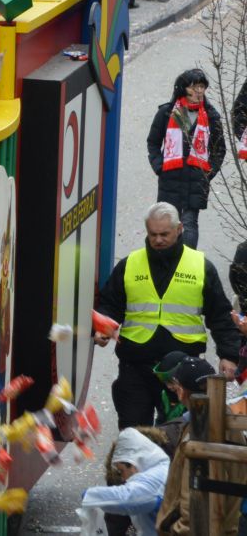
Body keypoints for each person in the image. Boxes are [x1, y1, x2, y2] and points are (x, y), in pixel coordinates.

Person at [94, 202, 240, 429]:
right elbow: (109, 304)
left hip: (181, 372)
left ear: (179, 229)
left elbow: (220, 315)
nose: (158, 240)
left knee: (177, 437)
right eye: (153, 234)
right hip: (135, 367)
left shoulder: (200, 266)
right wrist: (102, 328)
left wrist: (229, 355)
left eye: (164, 234)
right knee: (135, 437)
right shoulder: (130, 265)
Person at [155, 356, 247, 533]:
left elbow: (191, 502)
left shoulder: (198, 435)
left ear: (181, 391)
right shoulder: (228, 419)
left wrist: (176, 530)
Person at [146, 68, 226, 246]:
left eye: (202, 86)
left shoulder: (211, 117)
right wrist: (159, 167)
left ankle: (185, 265)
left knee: (189, 225)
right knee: (167, 224)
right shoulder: (167, 113)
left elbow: (219, 149)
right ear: (183, 89)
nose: (199, 91)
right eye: (194, 87)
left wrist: (207, 174)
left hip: (196, 182)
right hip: (170, 180)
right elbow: (153, 143)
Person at [79, 428, 171, 536]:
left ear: (132, 462)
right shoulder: (161, 467)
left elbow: (127, 498)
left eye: (121, 471)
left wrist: (90, 495)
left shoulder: (154, 480)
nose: (123, 478)